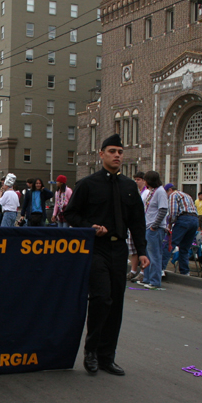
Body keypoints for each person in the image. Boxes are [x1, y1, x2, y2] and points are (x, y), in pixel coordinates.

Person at [64, 134, 149, 376]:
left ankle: (107, 356)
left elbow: (137, 222)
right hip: (96, 248)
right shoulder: (88, 184)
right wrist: (90, 226)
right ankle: (91, 351)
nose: (117, 155)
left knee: (116, 304)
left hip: (118, 248)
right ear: (101, 154)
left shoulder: (129, 187)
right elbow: (71, 214)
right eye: (112, 151)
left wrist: (141, 252)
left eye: (120, 152)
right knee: (101, 298)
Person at [140, 171, 168, 289]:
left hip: (154, 229)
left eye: (145, 180)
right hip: (147, 226)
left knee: (154, 255)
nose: (144, 182)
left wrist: (154, 226)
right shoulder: (152, 192)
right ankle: (147, 278)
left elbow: (163, 209)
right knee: (147, 254)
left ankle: (155, 281)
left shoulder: (160, 192)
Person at [164, 184, 199, 276]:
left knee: (170, 245)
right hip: (195, 220)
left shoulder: (173, 195)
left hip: (184, 219)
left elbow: (173, 212)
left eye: (166, 193)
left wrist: (170, 224)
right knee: (185, 247)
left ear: (170, 190)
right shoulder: (187, 195)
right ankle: (185, 272)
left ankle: (160, 268)